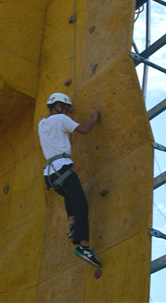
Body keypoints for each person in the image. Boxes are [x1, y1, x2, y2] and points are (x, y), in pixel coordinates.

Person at [37, 92, 102, 267]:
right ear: (58, 105)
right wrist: (94, 117)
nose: (67, 112)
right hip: (62, 168)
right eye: (66, 108)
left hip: (49, 175)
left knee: (69, 197)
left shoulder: (41, 124)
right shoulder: (61, 119)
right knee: (81, 204)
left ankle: (73, 224)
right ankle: (84, 246)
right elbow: (85, 130)